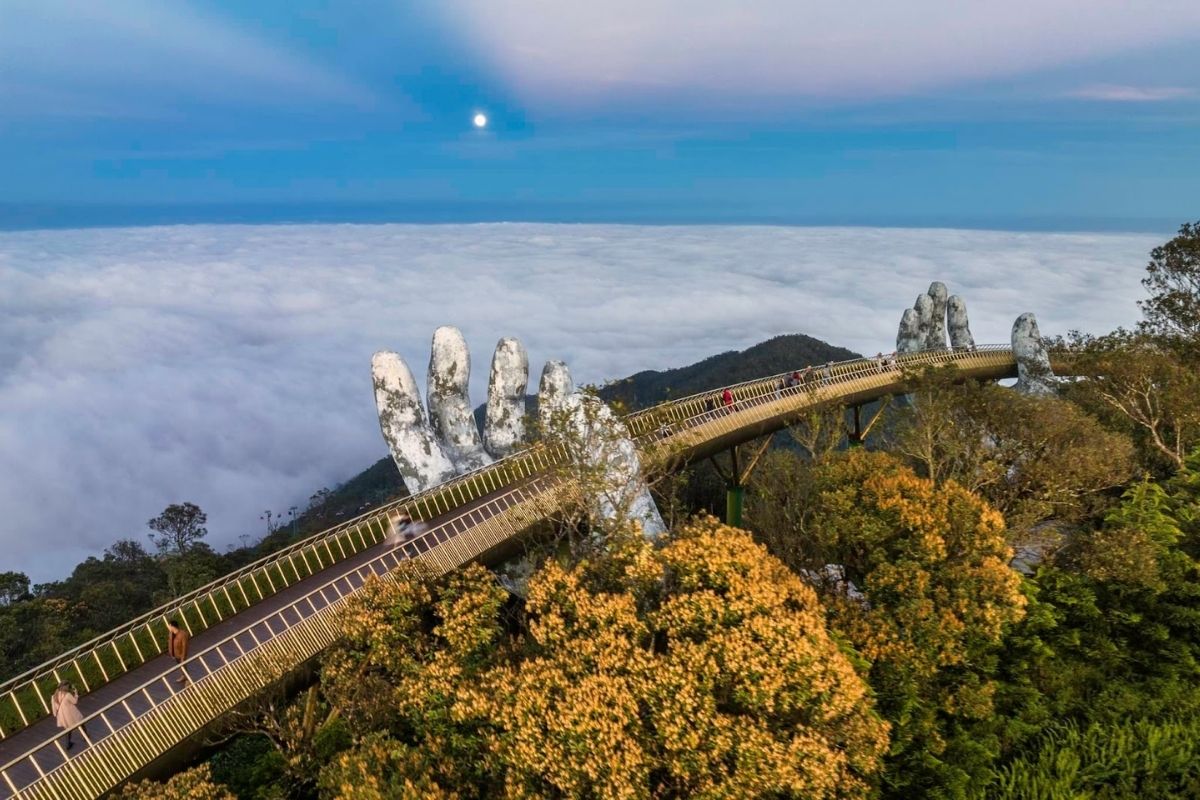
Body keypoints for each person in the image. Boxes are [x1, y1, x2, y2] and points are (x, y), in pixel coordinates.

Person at [52, 682, 84, 751]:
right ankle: (86, 736)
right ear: (64, 687)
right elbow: (75, 701)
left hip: (62, 715)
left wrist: (56, 715)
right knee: (81, 722)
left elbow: (54, 709)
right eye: (67, 686)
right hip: (71, 713)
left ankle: (68, 744)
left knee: (68, 729)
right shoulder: (67, 695)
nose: (68, 687)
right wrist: (76, 694)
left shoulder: (54, 696)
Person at [167, 618, 190, 685]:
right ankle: (183, 676)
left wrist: (183, 656)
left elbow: (184, 646)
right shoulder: (171, 634)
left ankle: (188, 680)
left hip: (181, 654)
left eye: (169, 626)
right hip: (175, 654)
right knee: (180, 666)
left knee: (183, 666)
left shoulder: (182, 634)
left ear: (172, 626)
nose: (168, 627)